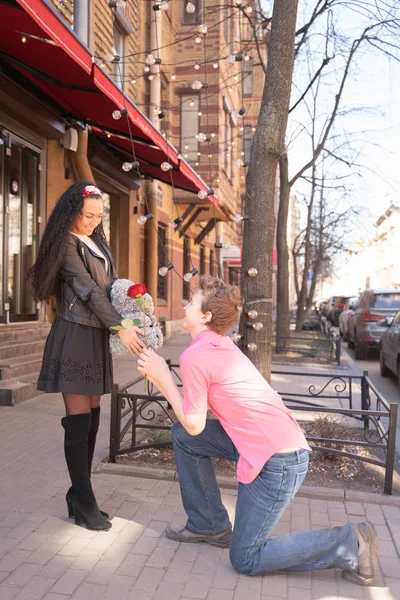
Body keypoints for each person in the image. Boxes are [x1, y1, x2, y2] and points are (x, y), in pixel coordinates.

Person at [138, 275, 378, 586]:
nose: (185, 306)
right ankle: (208, 523)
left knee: (246, 559)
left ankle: (351, 542)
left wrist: (163, 379)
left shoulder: (196, 355)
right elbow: (193, 427)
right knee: (184, 438)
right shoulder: (217, 343)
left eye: (192, 302)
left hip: (278, 462)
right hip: (265, 443)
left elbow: (195, 421)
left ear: (206, 316)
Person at [29, 180, 145, 531]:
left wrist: (132, 306)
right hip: (76, 335)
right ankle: (84, 499)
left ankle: (79, 494)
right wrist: (120, 327)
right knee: (79, 422)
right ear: (71, 211)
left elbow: (107, 288)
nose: (94, 221)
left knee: (93, 418)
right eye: (87, 215)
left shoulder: (95, 241)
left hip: (95, 335)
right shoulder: (65, 243)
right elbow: (90, 292)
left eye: (99, 215)